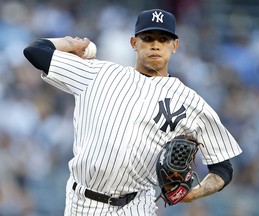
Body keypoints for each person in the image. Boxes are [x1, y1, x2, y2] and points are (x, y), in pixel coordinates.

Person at [23, 8, 242, 216]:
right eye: (148, 38)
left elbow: (223, 168)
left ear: (175, 45)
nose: (155, 45)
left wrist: (193, 194)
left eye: (163, 39)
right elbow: (36, 51)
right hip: (82, 202)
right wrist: (71, 44)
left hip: (137, 205)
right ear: (133, 43)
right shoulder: (98, 74)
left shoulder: (191, 102)